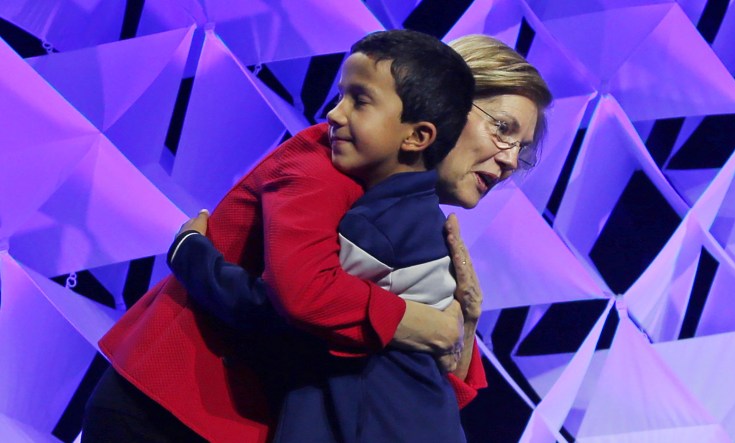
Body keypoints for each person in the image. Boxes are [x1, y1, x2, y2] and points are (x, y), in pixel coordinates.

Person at [83, 33, 552, 443]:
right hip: (169, 410)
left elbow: (422, 384)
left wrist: (463, 325)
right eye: (503, 129)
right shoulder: (325, 159)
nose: (510, 159)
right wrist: (417, 322)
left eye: (523, 150)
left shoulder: (418, 220)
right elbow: (299, 301)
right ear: (443, 100)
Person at [169, 29, 474, 443]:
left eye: (359, 101)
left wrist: (192, 256)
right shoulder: (420, 219)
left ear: (417, 136)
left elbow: (288, 305)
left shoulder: (376, 229)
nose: (334, 113)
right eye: (339, 96)